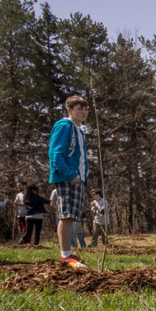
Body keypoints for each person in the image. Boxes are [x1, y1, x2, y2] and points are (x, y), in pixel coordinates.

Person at [49, 95, 89, 268]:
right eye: (80, 109)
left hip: (78, 179)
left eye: (86, 109)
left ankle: (68, 252)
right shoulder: (64, 126)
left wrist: (81, 178)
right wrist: (70, 175)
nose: (84, 112)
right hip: (68, 178)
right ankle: (65, 255)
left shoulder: (79, 131)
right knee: (66, 215)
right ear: (69, 110)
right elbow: (55, 155)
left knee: (72, 217)